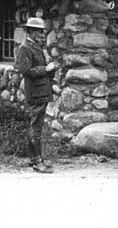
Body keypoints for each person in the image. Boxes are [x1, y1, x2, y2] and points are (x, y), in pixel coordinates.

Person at [15, 17, 59, 173]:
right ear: (30, 32)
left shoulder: (36, 46)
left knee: (36, 126)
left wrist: (51, 68)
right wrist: (46, 69)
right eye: (38, 32)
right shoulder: (24, 48)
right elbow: (26, 71)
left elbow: (38, 68)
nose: (41, 35)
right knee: (36, 127)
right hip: (35, 92)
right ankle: (37, 162)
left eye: (42, 32)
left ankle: (35, 158)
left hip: (41, 91)